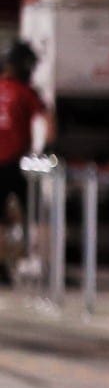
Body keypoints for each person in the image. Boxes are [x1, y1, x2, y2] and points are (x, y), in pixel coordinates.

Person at [0, 41, 52, 284]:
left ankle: (2, 268)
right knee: (38, 214)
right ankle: (43, 265)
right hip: (14, 163)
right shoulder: (26, 91)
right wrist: (49, 148)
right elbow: (48, 118)